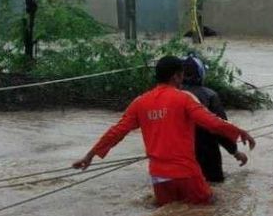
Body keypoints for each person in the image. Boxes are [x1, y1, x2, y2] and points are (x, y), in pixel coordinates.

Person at [72, 56, 256, 207]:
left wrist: (90, 155)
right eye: (181, 76)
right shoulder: (184, 99)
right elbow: (212, 122)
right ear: (176, 77)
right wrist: (240, 132)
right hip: (187, 173)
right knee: (213, 209)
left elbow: (117, 131)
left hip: (159, 177)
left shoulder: (140, 102)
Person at [182, 55, 248, 183]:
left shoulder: (170, 96)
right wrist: (235, 152)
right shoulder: (210, 95)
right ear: (201, 74)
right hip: (207, 156)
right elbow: (220, 129)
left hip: (178, 158)